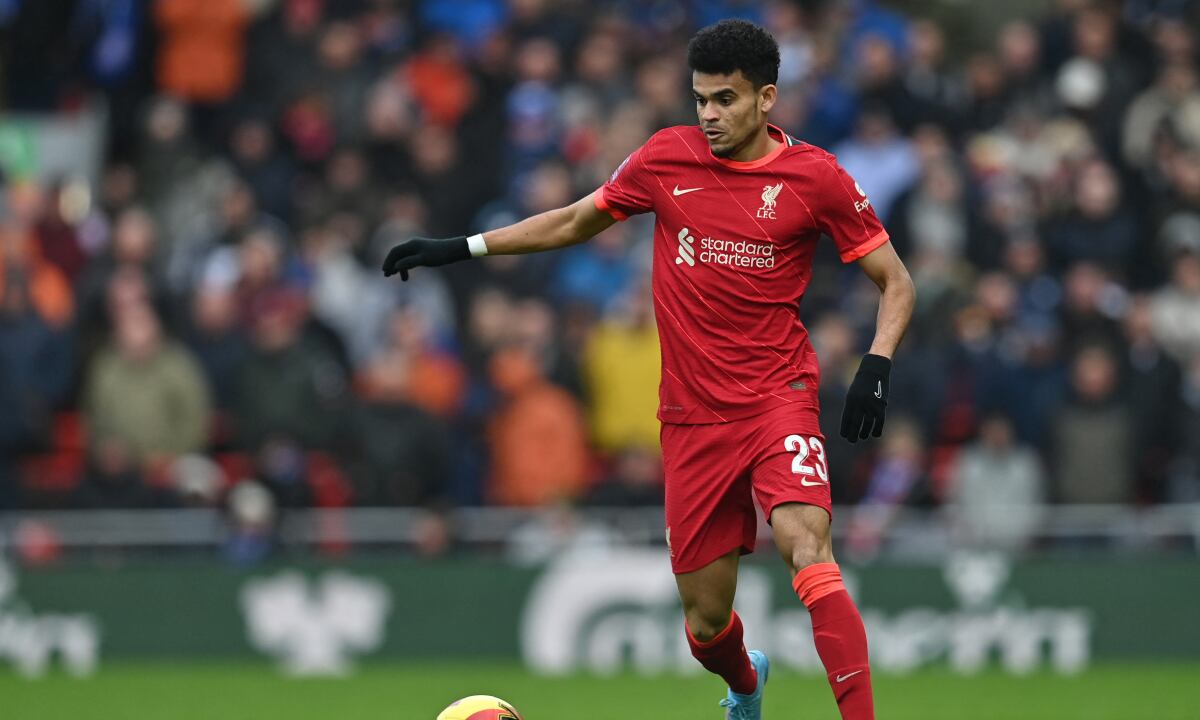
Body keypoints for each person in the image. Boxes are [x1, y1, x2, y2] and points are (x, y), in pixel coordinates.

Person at [381, 19, 914, 720]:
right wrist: (461, 247)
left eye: (725, 100)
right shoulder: (668, 159)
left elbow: (896, 280)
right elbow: (576, 220)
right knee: (704, 624)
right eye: (700, 100)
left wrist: (876, 365)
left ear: (767, 99)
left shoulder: (814, 176)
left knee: (806, 546)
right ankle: (746, 686)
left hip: (776, 397)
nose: (710, 115)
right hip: (692, 418)